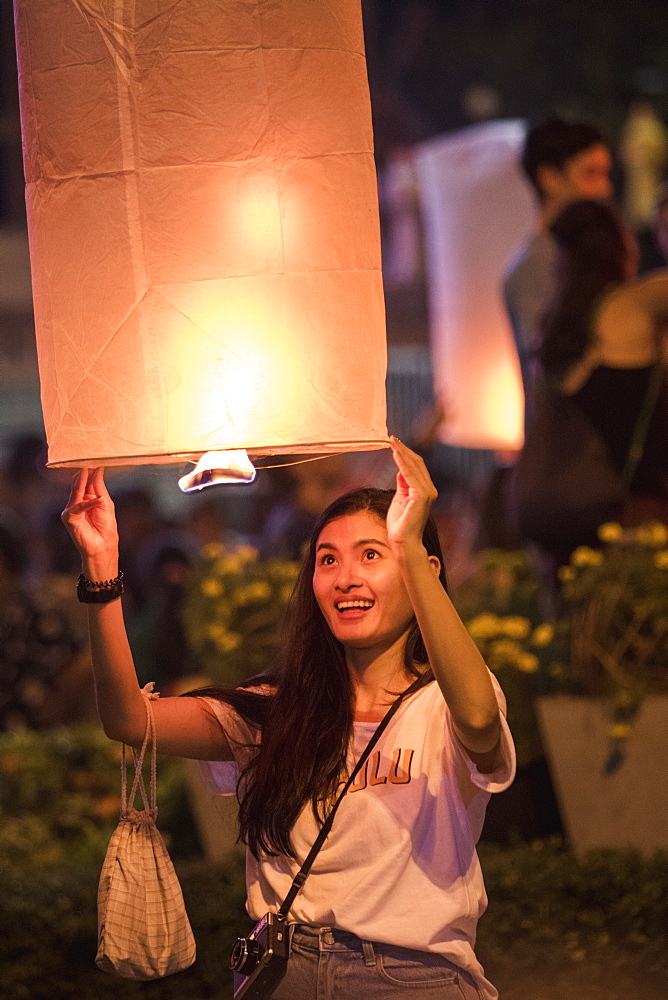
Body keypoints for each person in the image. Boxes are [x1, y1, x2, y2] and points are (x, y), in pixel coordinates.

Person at [61, 438, 515, 1000]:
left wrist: (410, 538)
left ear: (423, 569)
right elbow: (131, 720)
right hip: (280, 973)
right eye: (328, 559)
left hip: (410, 977)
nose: (345, 577)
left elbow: (478, 717)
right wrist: (102, 571)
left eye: (372, 555)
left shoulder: (447, 701)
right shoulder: (277, 708)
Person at [537, 199, 668, 541]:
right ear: (618, 247)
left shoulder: (555, 331)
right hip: (637, 513)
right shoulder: (635, 306)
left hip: (566, 519)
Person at [504, 117, 613, 428]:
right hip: (566, 455)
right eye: (591, 174)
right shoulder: (538, 265)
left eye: (605, 174)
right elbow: (555, 368)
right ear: (549, 178)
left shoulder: (580, 257)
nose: (603, 189)